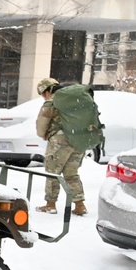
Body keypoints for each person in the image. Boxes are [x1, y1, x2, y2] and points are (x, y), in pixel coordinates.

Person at [34, 78, 89, 216]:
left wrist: (44, 135)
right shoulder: (76, 99)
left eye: (43, 93)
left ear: (48, 90)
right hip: (79, 140)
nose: (43, 97)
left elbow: (41, 125)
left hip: (60, 141)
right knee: (71, 173)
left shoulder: (52, 101)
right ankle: (80, 204)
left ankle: (50, 204)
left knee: (52, 172)